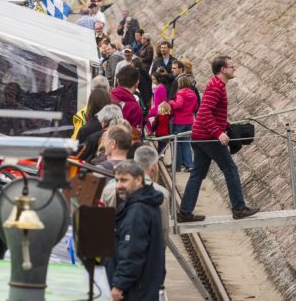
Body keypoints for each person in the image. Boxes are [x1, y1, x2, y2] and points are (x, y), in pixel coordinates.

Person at [177, 56, 259, 222]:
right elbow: (205, 112)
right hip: (208, 138)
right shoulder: (217, 87)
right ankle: (239, 208)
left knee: (197, 175)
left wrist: (225, 125)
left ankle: (185, 213)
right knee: (230, 170)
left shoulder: (215, 83)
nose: (234, 69)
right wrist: (218, 133)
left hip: (200, 136)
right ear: (223, 69)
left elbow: (209, 112)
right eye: (231, 66)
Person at [110, 160, 165, 301]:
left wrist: (119, 285)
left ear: (138, 179)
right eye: (116, 180)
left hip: (136, 290)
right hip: (145, 285)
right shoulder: (148, 202)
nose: (118, 185)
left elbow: (132, 251)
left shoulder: (138, 211)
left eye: (124, 180)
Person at [168, 71, 200, 172]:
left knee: (177, 143)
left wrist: (171, 102)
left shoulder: (180, 94)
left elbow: (178, 105)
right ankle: (189, 164)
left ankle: (177, 166)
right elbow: (195, 108)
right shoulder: (193, 94)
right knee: (186, 143)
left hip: (179, 121)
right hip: (189, 121)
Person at [112, 66, 144, 134]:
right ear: (137, 83)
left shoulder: (107, 97)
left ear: (118, 81)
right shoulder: (135, 108)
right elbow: (135, 137)